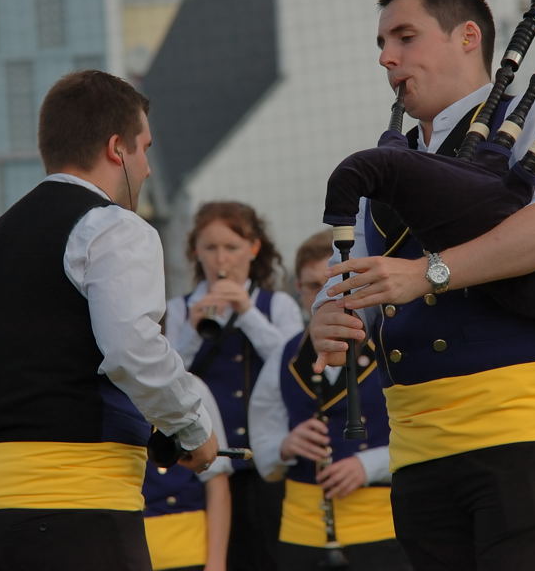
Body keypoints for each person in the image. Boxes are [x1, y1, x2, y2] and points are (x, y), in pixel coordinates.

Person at [310, 0, 535, 570]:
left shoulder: (533, 113)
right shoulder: (393, 158)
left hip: (523, 431)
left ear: (467, 37)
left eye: (405, 36)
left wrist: (429, 273)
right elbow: (354, 280)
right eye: (381, 43)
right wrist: (329, 316)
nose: (387, 57)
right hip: (421, 447)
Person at [0, 70, 218, 571]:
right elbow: (132, 350)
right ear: (116, 149)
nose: (147, 168)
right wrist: (193, 429)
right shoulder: (115, 229)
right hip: (81, 513)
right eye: (144, 147)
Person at [249, 229, 411, 570]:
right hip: (302, 534)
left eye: (341, 285)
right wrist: (286, 445)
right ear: (298, 289)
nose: (329, 297)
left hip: (383, 527)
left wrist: (367, 465)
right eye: (313, 287)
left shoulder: (392, 348)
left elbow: (424, 435)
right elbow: (264, 454)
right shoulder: (285, 356)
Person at [165, 201, 304, 571]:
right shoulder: (179, 309)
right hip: (209, 463)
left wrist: (247, 313)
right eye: (210, 248)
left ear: (254, 248)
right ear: (196, 252)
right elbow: (168, 379)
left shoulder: (278, 306)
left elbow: (295, 369)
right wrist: (194, 331)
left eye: (231, 247)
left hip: (271, 462)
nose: (220, 259)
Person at [142, 374, 232, 571]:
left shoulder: (190, 387)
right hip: (121, 549)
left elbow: (216, 480)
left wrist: (216, 562)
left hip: (186, 553)